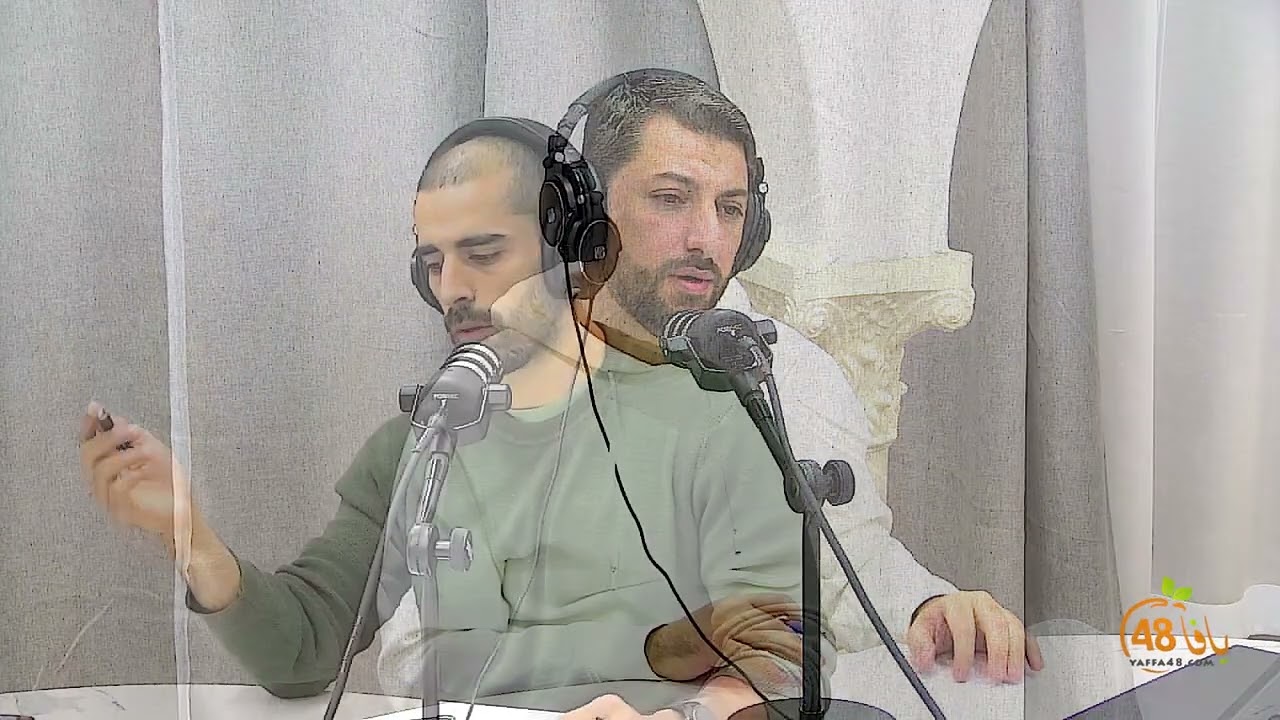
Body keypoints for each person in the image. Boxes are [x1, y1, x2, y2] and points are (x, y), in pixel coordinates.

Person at [78, 118, 833, 719]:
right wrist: (192, 539)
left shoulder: (710, 421)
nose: (452, 290)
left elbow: (787, 649)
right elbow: (306, 649)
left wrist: (686, 714)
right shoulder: (421, 440)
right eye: (433, 263)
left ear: (576, 251)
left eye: (483, 252)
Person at [562, 67, 1045, 686]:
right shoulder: (507, 377)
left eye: (730, 209)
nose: (706, 238)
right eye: (670, 198)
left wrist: (928, 606)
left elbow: (846, 563)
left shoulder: (781, 370)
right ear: (587, 212)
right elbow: (446, 630)